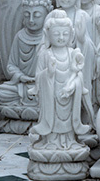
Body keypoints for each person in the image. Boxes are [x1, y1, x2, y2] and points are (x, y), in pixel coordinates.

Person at [0, 0, 53, 128]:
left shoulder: (50, 37)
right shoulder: (20, 36)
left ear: (47, 14)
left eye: (37, 15)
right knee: (1, 93)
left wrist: (42, 78)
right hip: (22, 87)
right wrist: (21, 76)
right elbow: (11, 65)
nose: (31, 20)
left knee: (56, 95)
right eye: (27, 15)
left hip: (43, 87)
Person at [29, 9, 92, 150]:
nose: (61, 37)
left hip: (69, 98)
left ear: (71, 35)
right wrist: (48, 73)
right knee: (53, 120)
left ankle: (70, 139)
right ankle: (50, 140)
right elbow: (38, 77)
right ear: (48, 35)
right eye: (56, 34)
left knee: (68, 119)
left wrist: (73, 86)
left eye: (65, 34)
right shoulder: (45, 55)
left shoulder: (72, 53)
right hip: (51, 99)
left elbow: (79, 75)